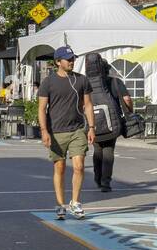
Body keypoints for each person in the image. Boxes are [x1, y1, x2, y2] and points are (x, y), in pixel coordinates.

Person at [37, 46, 96, 220]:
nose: (71, 62)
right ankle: (60, 205)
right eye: (68, 59)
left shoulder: (82, 80)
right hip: (56, 131)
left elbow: (88, 105)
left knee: (79, 166)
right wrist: (44, 131)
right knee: (60, 168)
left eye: (73, 59)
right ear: (58, 62)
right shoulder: (48, 82)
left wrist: (91, 127)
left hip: (77, 129)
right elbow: (42, 109)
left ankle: (75, 202)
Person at [85, 53, 132, 192]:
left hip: (93, 122)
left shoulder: (87, 82)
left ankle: (97, 178)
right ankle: (106, 182)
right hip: (112, 122)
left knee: (98, 150)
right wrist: (130, 112)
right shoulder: (115, 82)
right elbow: (127, 99)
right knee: (109, 150)